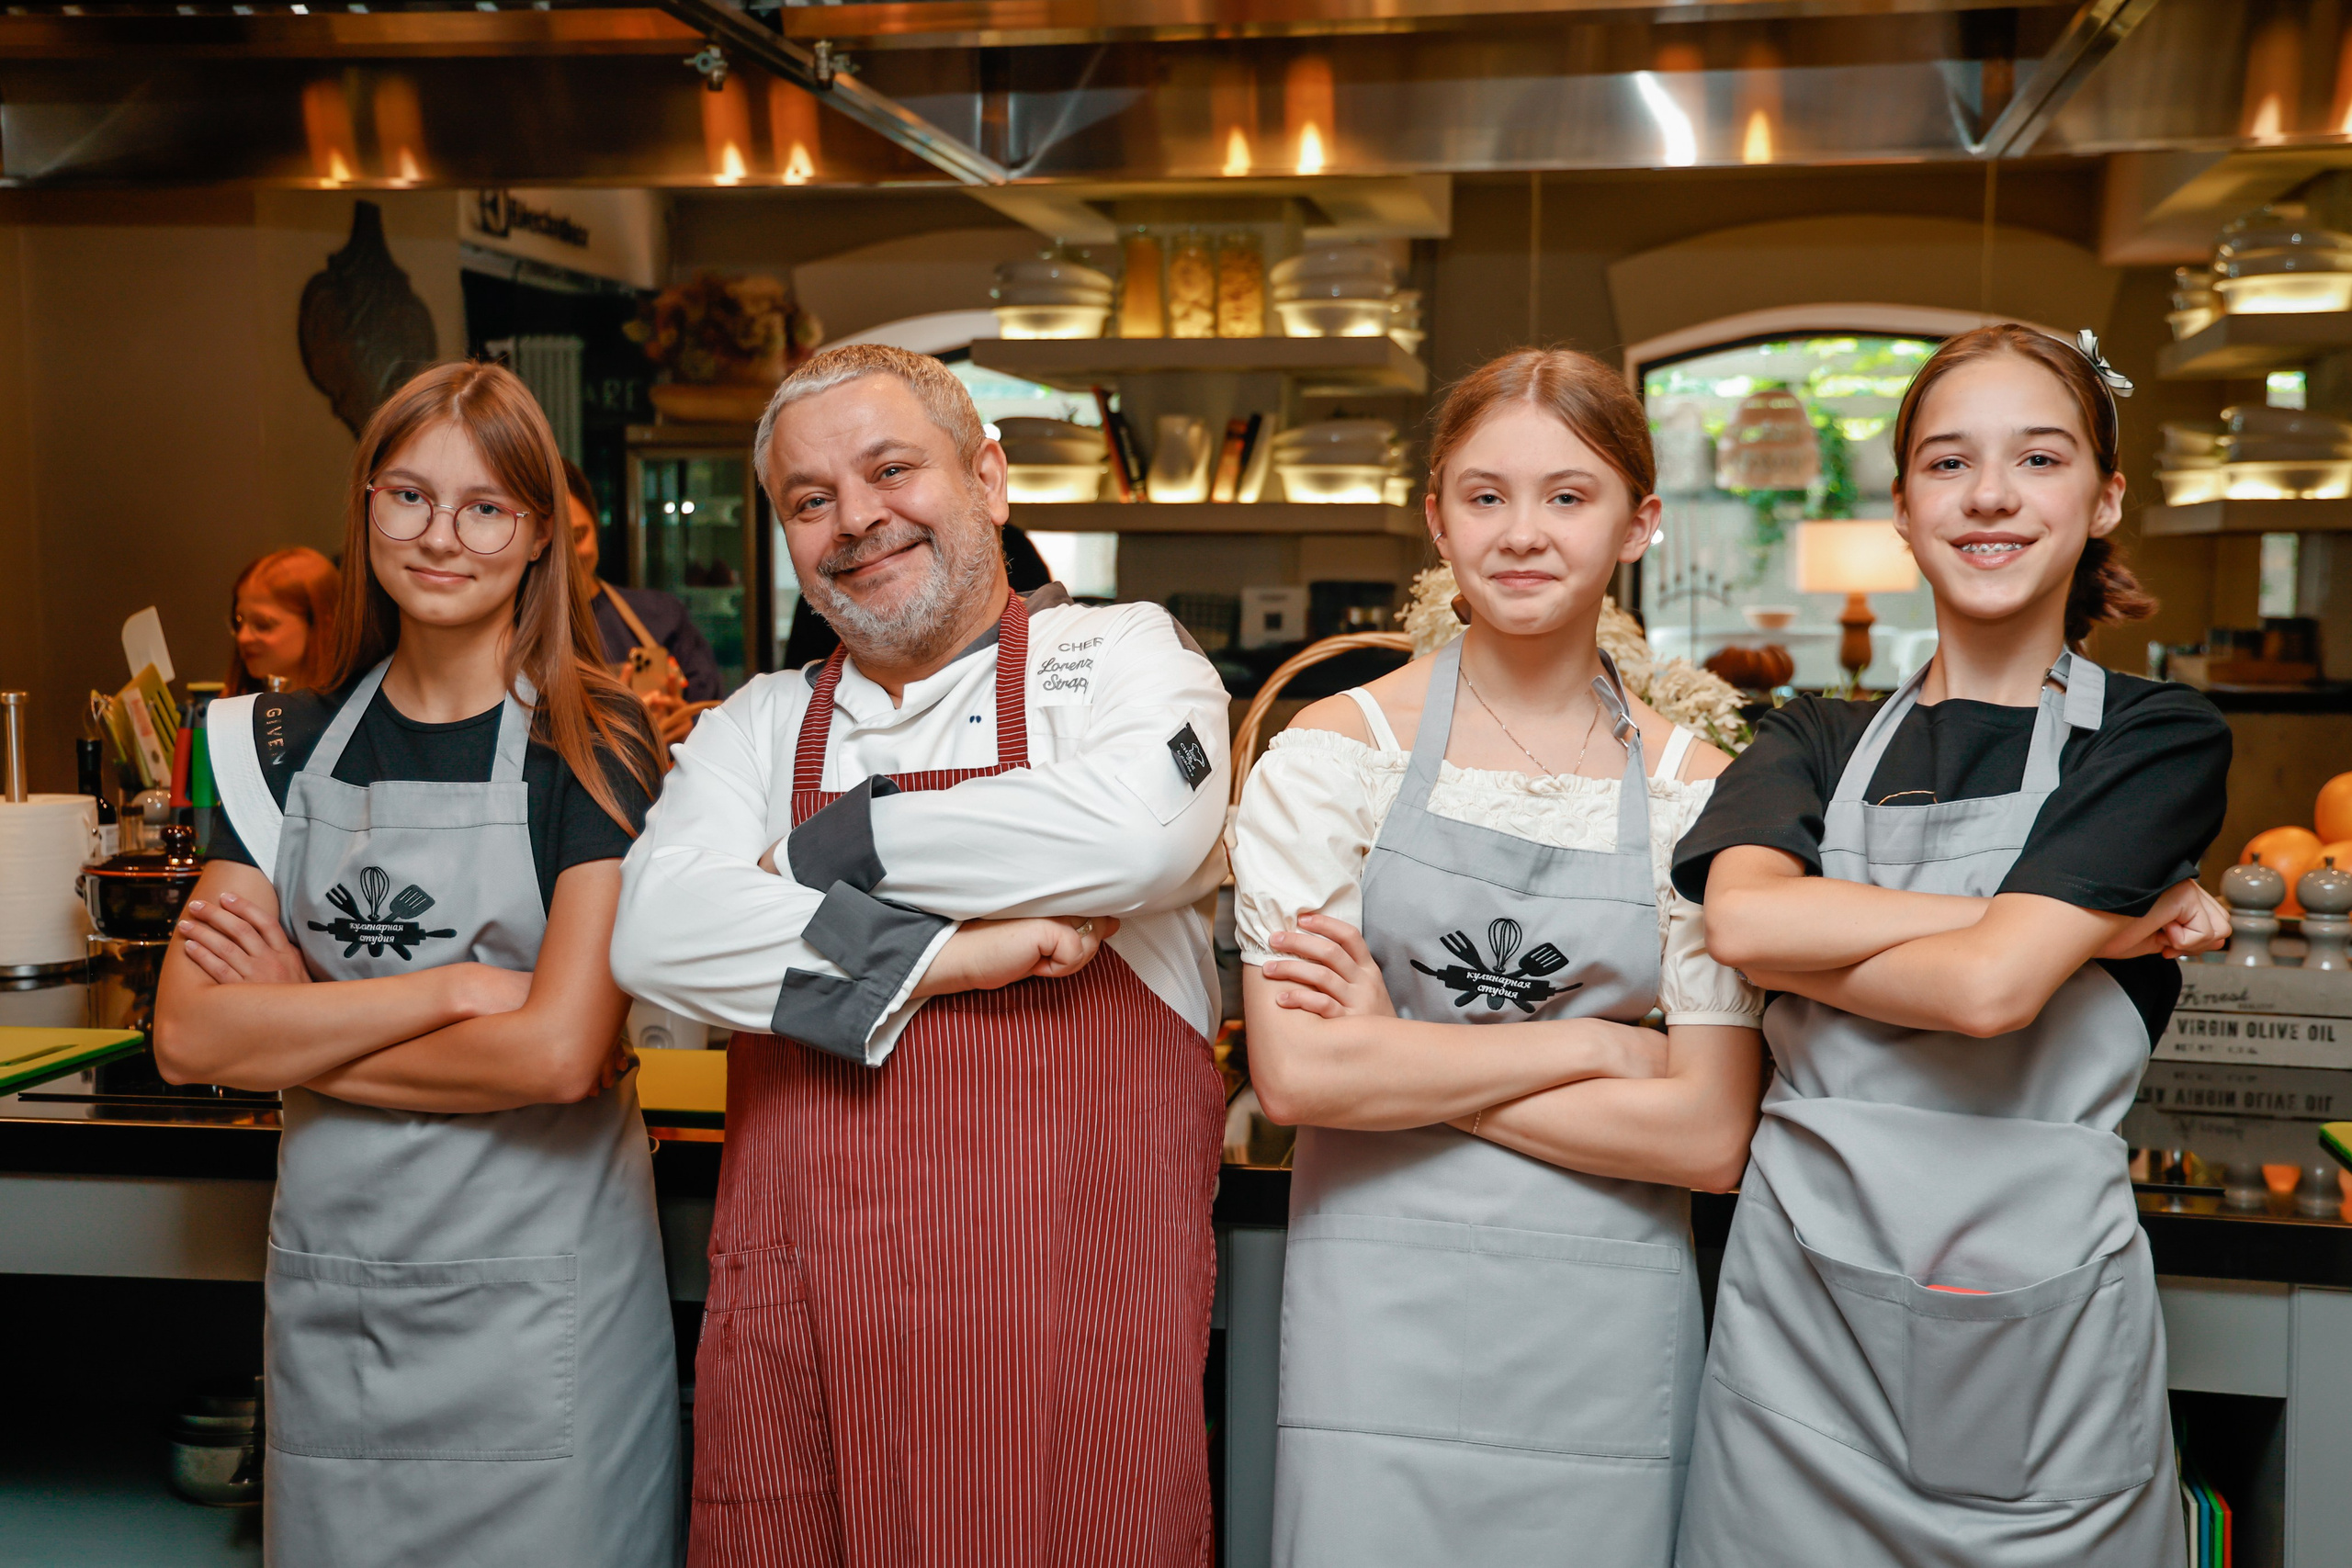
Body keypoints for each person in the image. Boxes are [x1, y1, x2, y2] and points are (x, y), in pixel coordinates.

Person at [609, 343, 1230, 1566]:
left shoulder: (1115, 661)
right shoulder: (756, 727)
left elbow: (1138, 831)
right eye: (810, 498)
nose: (858, 519)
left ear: (990, 478)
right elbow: (657, 931)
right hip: (816, 1335)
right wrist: (960, 957)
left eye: (893, 468)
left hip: (1071, 1340)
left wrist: (833, 844)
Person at [1670, 325, 2233, 1568]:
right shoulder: (1811, 731)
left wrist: (2000, 949)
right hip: (1799, 1344)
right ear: (1907, 512)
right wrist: (2092, 925)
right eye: (1946, 463)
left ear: (2104, 498)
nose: (1990, 494)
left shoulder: (2154, 738)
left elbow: (1987, 992)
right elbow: (1747, 920)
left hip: (2042, 1350)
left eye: (2038, 457)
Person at [1228, 347, 1766, 1565]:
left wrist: (1399, 1054)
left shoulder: (1701, 794)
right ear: (1436, 519)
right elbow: (1304, 1083)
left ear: (1642, 521)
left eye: (1569, 496)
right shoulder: (1331, 755)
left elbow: (1707, 1137)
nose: (1523, 533)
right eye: (1485, 495)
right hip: (1379, 1320)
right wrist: (1600, 1048)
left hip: (1607, 1329)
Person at [153, 362, 679, 1566]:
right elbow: (188, 1036)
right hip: (341, 1313)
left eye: (486, 505)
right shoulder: (268, 743)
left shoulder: (594, 740)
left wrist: (301, 1021)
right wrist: (449, 991)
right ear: (366, 505)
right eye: (408, 495)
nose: (441, 535)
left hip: (548, 1327)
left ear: (539, 530)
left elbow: (558, 1054)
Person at [565, 458, 724, 745]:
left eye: (578, 536)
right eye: (554, 543)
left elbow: (717, 712)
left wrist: (690, 729)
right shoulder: (512, 630)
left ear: (597, 528)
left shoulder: (661, 616)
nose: (567, 555)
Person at [223, 546, 340, 694]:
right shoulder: (225, 708)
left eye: (262, 624)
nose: (242, 637)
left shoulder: (354, 710)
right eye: (238, 623)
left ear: (324, 625)